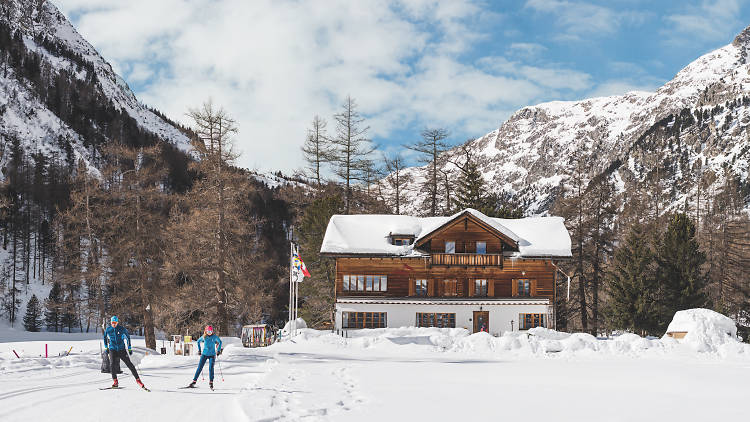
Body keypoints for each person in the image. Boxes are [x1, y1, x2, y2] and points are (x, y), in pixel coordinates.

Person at [103, 315, 147, 389]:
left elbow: (128, 338)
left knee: (129, 364)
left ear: (117, 322)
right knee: (112, 364)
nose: (113, 324)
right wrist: (106, 347)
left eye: (115, 322)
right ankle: (115, 381)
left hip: (121, 349)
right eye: (112, 322)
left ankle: (138, 380)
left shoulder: (122, 329)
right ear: (111, 322)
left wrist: (129, 348)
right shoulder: (108, 329)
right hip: (112, 349)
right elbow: (104, 337)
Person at [187, 325, 223, 390]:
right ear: (206, 331)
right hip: (204, 354)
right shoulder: (204, 337)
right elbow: (198, 341)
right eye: (208, 331)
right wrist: (199, 350)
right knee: (200, 367)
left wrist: (218, 350)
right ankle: (194, 381)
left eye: (211, 331)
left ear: (212, 331)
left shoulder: (214, 337)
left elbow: (220, 342)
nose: (210, 332)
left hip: (212, 355)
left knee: (211, 368)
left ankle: (211, 382)